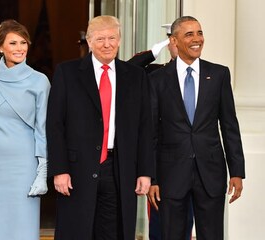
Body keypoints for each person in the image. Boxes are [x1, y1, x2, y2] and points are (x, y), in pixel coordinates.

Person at [46, 15, 154, 240]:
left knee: (113, 232)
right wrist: (59, 169)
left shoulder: (136, 76)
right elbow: (55, 125)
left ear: (120, 40)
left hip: (120, 168)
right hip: (77, 169)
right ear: (89, 41)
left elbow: (145, 127)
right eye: (101, 39)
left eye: (112, 38)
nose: (107, 44)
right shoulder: (67, 73)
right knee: (78, 231)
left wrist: (145, 171)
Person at [148, 16, 245, 240]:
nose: (197, 39)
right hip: (170, 174)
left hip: (210, 172)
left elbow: (229, 125)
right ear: (174, 40)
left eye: (199, 33)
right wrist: (152, 177)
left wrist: (237, 171)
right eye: (189, 34)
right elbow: (151, 132)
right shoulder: (157, 79)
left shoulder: (219, 74)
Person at [0, 19, 50, 240]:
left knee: (23, 222)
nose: (20, 48)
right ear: (0, 47)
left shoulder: (40, 81)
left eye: (23, 42)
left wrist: (43, 168)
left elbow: (42, 127)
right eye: (13, 43)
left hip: (24, 161)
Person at [129, 24, 194, 240]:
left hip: (192, 165)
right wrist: (152, 53)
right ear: (171, 44)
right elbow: (128, 70)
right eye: (173, 41)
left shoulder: (204, 74)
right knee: (160, 227)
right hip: (164, 166)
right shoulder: (155, 72)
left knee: (186, 225)